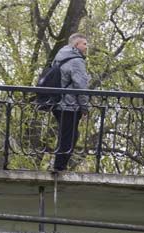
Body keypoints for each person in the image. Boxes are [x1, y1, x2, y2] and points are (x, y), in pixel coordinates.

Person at [51, 33, 90, 172]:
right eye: (84, 44)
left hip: (57, 102)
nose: (86, 47)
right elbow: (81, 85)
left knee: (66, 134)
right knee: (69, 137)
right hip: (69, 104)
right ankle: (59, 167)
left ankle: (57, 165)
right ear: (76, 45)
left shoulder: (59, 57)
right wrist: (85, 107)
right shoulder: (76, 60)